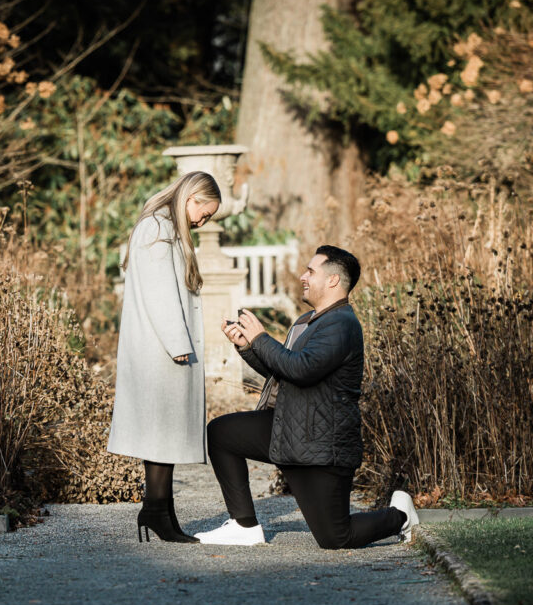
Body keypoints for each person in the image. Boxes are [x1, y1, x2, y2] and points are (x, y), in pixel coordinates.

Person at [194, 246, 420, 548]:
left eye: (311, 272)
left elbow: (302, 370)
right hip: (289, 429)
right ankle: (243, 525)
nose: (303, 276)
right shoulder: (306, 321)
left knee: (336, 537)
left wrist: (261, 338)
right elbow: (285, 373)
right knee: (222, 433)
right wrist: (249, 346)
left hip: (323, 443)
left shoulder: (342, 324)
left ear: (333, 281)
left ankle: (400, 516)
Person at [107, 171, 221, 543]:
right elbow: (159, 294)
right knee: (161, 434)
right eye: (204, 213)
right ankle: (157, 512)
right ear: (191, 198)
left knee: (164, 436)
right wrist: (179, 345)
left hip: (165, 349)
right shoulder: (157, 230)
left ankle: (160, 510)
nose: (203, 222)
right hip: (162, 351)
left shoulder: (165, 229)